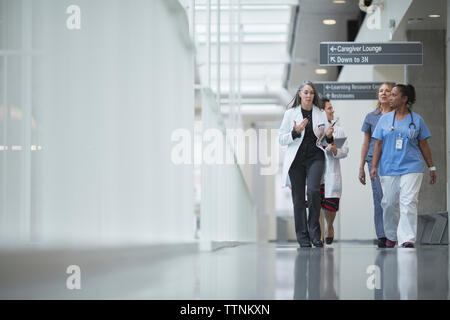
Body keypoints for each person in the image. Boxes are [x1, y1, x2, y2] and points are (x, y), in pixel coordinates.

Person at [370, 84, 436, 248]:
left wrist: (431, 167)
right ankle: (391, 235)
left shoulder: (417, 120)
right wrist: (374, 167)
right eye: (390, 95)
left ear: (404, 99)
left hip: (412, 167)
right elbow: (377, 144)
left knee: (409, 201)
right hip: (389, 167)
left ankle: (407, 238)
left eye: (394, 95)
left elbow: (424, 145)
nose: (390, 98)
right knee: (389, 203)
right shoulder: (384, 119)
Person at [279, 81, 334, 248]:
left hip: (315, 157)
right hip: (296, 160)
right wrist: (295, 132)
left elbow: (325, 139)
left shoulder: (320, 113)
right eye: (306, 92)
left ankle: (315, 234)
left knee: (313, 191)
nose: (309, 95)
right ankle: (303, 237)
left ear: (314, 96)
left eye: (311, 92)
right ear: (300, 94)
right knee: (298, 199)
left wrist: (329, 136)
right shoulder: (290, 114)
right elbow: (281, 138)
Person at [359, 82, 394, 248]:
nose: (384, 93)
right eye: (381, 91)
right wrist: (361, 167)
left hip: (393, 159)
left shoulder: (397, 115)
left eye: (387, 91)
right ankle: (382, 235)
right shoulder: (371, 117)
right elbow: (365, 143)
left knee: (392, 198)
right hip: (374, 160)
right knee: (379, 198)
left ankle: (393, 233)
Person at [318, 98, 349, 245]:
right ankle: (318, 233)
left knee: (330, 205)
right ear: (321, 112)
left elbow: (345, 151)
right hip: (317, 173)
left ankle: (329, 226)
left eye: (332, 108)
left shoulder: (339, 130)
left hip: (330, 173)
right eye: (329, 108)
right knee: (315, 204)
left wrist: (335, 149)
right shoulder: (314, 130)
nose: (332, 111)